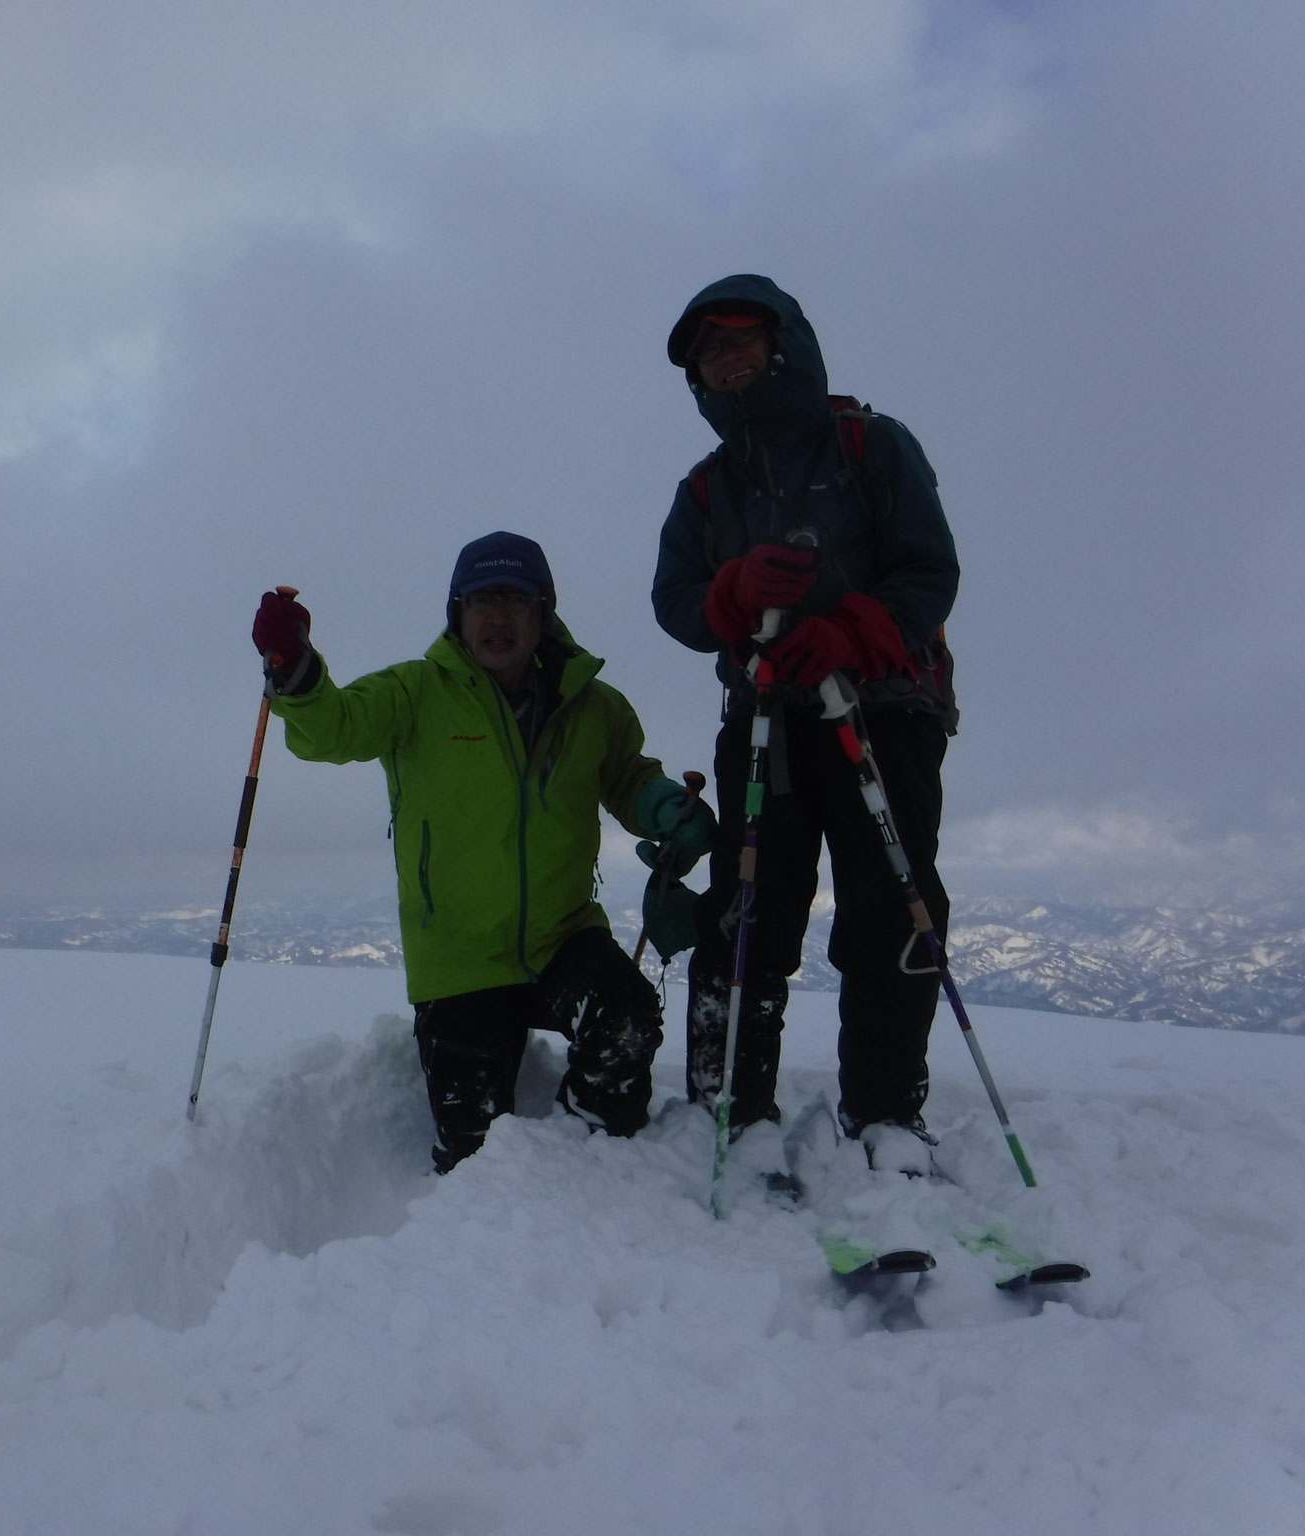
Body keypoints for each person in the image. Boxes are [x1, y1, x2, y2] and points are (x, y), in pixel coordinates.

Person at [252, 532, 715, 1173]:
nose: (498, 617)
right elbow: (334, 726)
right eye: (482, 601)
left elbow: (629, 777)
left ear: (543, 612)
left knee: (629, 1022)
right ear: (458, 613)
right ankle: (500, 1206)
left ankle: (588, 1168)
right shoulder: (414, 694)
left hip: (563, 938)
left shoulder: (594, 707)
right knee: (471, 1153)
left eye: (516, 601)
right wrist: (297, 672)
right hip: (459, 957)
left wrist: (664, 806)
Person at [650, 275, 960, 1176]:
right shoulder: (707, 491)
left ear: (786, 345)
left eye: (743, 340)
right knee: (746, 909)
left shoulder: (869, 445)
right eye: (712, 352)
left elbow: (926, 572)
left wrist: (847, 633)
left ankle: (886, 1109)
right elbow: (675, 602)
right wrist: (731, 592)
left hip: (883, 714)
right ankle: (728, 1102)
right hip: (763, 720)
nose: (730, 360)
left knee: (893, 905)